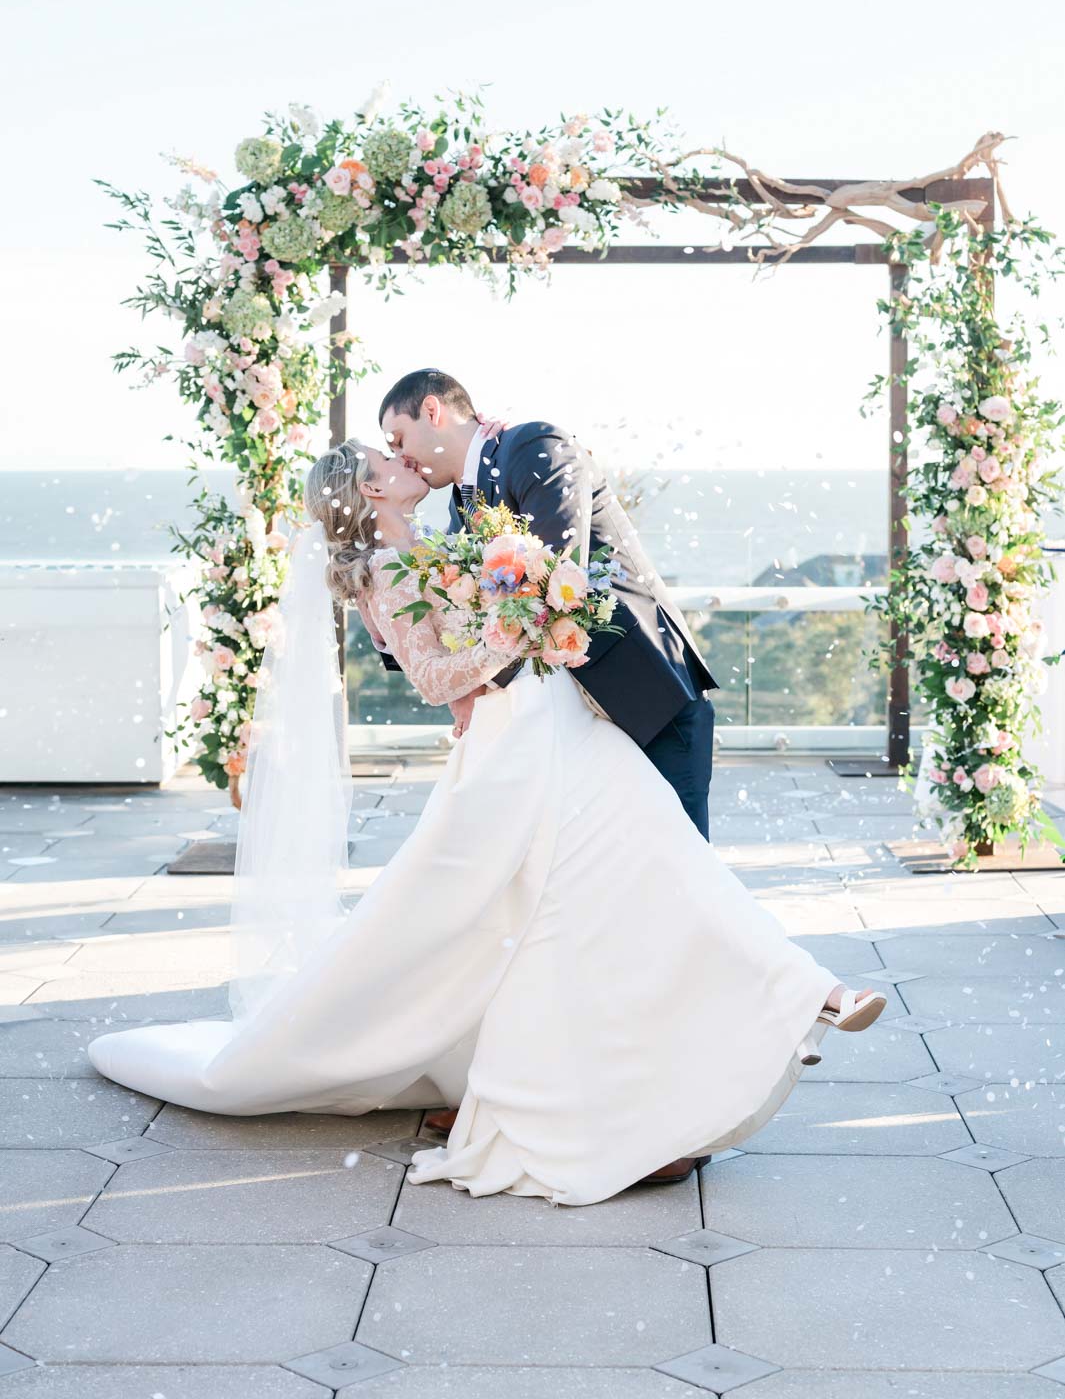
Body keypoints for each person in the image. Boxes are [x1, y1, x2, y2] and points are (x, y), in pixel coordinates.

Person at [87, 435, 886, 1203]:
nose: (400, 460)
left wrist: (534, 619)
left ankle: (798, 992)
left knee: (649, 862)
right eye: (384, 459)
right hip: (516, 741)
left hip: (553, 723)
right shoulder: (385, 569)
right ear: (369, 490)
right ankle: (774, 1002)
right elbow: (434, 678)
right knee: (599, 882)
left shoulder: (437, 541)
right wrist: (512, 635)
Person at [379, 368, 718, 838]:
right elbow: (459, 609)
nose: (402, 457)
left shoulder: (534, 446)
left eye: (399, 439)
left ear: (432, 411)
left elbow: (558, 576)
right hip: (568, 720)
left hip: (645, 695)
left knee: (679, 868)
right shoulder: (463, 503)